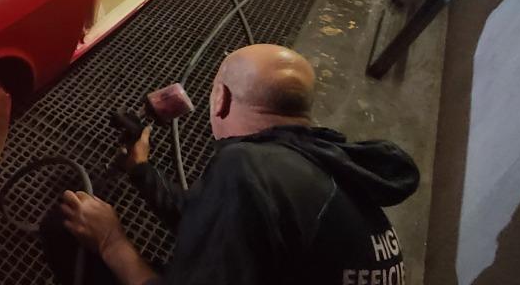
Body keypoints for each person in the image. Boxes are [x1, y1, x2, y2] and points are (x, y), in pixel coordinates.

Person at [60, 44, 419, 285]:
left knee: (66, 233)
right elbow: (210, 222)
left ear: (221, 98)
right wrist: (141, 169)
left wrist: (111, 242)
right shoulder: (323, 163)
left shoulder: (245, 164)